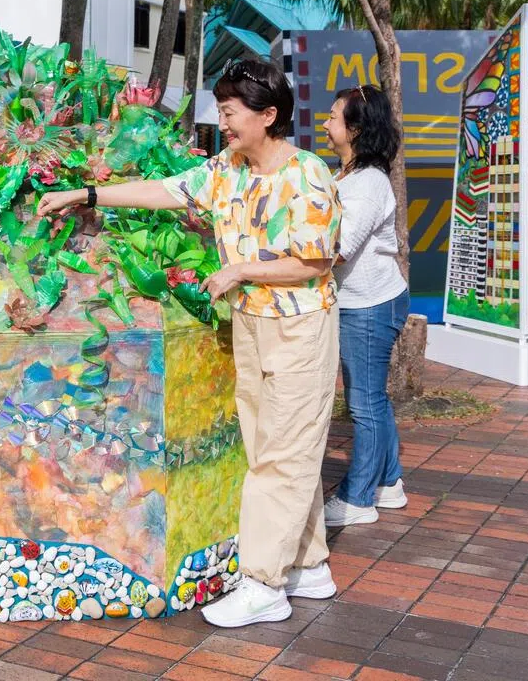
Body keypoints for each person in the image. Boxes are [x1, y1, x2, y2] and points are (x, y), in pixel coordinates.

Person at [38, 58, 341, 628]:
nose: (222, 123)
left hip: (299, 327)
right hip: (251, 325)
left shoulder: (308, 175)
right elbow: (164, 190)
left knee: (284, 455)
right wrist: (86, 194)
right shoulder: (228, 168)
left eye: (229, 113)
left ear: (268, 115)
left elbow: (315, 260)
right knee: (268, 446)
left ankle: (264, 584)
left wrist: (242, 271)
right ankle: (309, 563)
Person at [321, 85, 410, 527]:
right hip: (365, 302)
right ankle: (389, 482)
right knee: (372, 398)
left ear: (355, 129)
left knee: (363, 403)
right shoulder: (344, 176)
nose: (326, 122)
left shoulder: (368, 183)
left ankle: (357, 499)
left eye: (334, 116)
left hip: (371, 306)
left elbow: (338, 248)